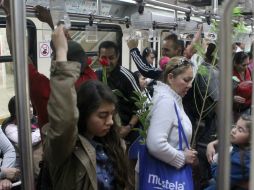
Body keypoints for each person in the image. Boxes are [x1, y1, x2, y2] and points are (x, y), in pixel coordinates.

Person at [44, 24, 132, 190]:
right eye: (102, 115)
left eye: (112, 114)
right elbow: (65, 118)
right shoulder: (66, 148)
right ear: (83, 114)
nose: (111, 122)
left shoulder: (113, 143)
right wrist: (61, 53)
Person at [146, 57, 197, 170]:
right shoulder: (166, 102)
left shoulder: (172, 98)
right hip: (164, 174)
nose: (190, 85)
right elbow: (155, 144)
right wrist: (182, 157)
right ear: (170, 77)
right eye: (186, 80)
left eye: (191, 81)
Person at [205, 114, 251, 190]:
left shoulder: (242, 158)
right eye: (235, 126)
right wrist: (211, 144)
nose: (233, 130)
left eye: (240, 130)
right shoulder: (240, 148)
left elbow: (219, 176)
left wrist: (215, 161)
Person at [1, 96, 42, 176]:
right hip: (19, 167)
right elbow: (28, 141)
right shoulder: (10, 127)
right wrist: (44, 130)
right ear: (15, 111)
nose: (30, 109)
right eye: (26, 107)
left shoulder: (34, 120)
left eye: (30, 106)